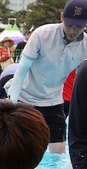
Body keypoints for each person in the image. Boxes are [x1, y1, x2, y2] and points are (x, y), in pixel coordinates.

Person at [9, 0, 87, 153]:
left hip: (54, 101)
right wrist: (12, 105)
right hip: (25, 98)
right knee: (22, 150)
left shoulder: (85, 45)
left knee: (58, 153)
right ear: (62, 17)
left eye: (78, 27)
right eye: (70, 24)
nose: (73, 30)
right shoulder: (42, 34)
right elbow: (21, 71)